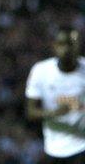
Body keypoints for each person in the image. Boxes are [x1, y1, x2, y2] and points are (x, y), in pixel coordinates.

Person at [26, 26, 85, 163]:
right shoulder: (40, 71)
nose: (67, 49)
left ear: (78, 46)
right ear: (54, 46)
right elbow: (31, 111)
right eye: (62, 44)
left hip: (82, 148)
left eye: (71, 44)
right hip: (53, 149)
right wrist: (53, 113)